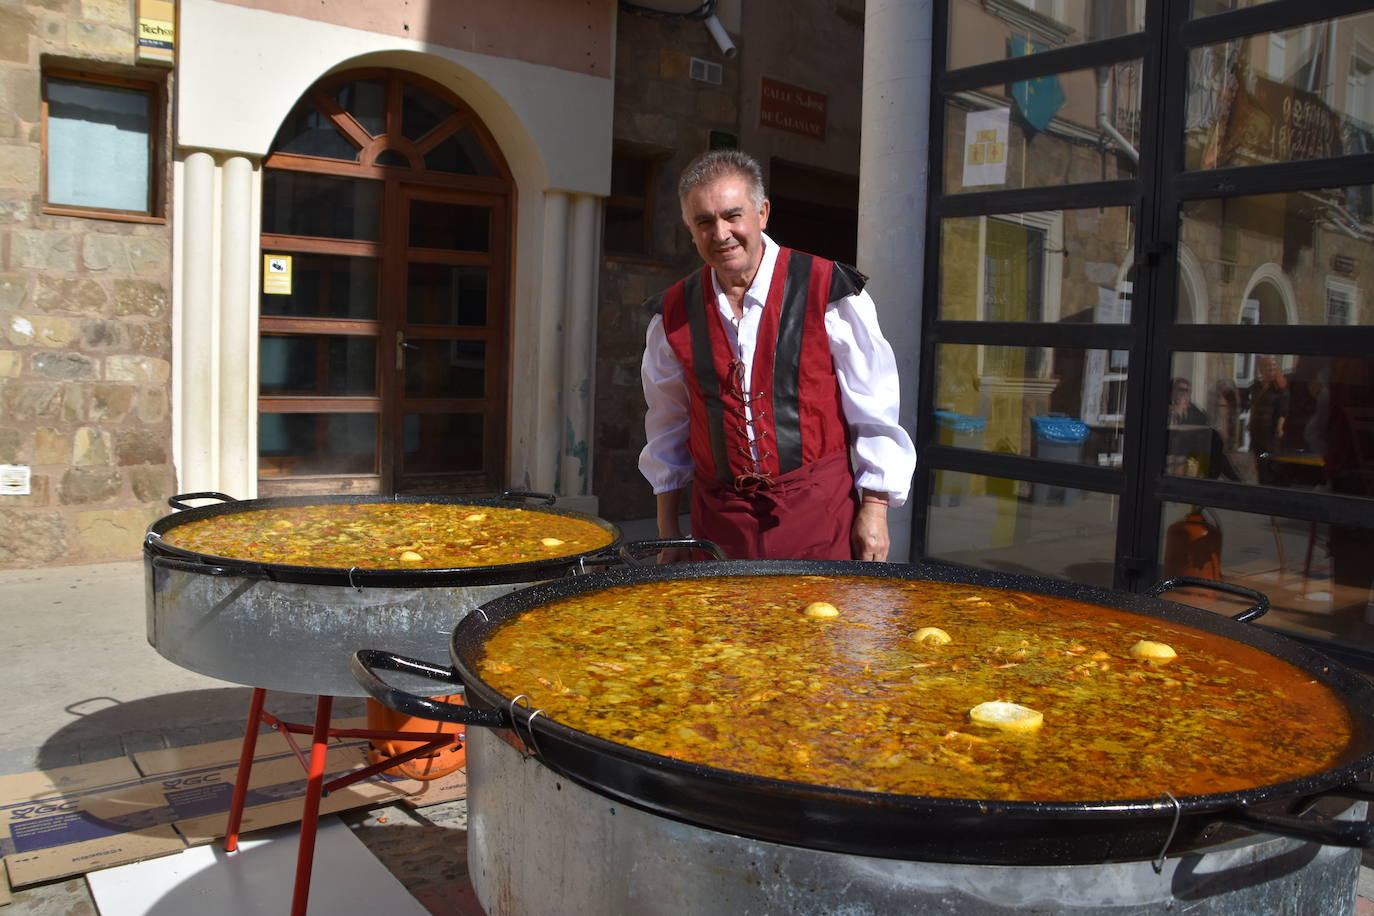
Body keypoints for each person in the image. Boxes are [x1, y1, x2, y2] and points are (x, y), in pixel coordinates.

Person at [638, 150, 915, 562]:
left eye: (733, 215)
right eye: (704, 222)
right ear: (689, 228)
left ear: (762, 212)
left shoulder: (830, 294)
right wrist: (668, 530)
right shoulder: (673, 313)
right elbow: (668, 425)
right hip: (718, 525)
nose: (721, 233)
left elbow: (873, 411)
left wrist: (874, 510)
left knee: (822, 625)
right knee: (722, 628)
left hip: (818, 516)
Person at [1166, 377, 1239, 480]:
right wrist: (1177, 411)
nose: (1184, 393)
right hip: (1176, 443)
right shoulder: (1166, 406)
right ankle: (1232, 478)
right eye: (1181, 389)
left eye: (1187, 390)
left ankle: (1219, 477)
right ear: (1173, 391)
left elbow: (1204, 420)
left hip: (1192, 445)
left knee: (1213, 438)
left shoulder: (1192, 408)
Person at [1247, 355, 1289, 485]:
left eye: (1273, 367)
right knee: (1258, 458)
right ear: (1261, 369)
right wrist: (1250, 422)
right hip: (1257, 429)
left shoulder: (1279, 389)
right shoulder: (1256, 387)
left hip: (1270, 431)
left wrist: (1280, 427)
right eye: (1268, 368)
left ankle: (1271, 485)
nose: (1271, 370)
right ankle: (1262, 483)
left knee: (1269, 459)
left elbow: (1283, 410)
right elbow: (1253, 406)